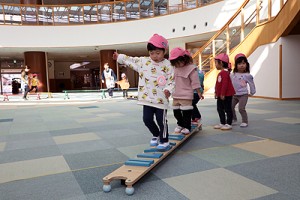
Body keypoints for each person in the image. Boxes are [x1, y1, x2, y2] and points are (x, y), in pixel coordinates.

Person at [113, 33, 174, 151]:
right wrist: (120, 57)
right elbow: (131, 60)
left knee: (161, 121)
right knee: (147, 119)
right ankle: (156, 134)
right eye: (152, 53)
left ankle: (165, 140)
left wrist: (168, 89)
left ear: (164, 51)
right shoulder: (144, 62)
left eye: (158, 53)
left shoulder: (168, 64)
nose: (155, 56)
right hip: (146, 98)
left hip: (161, 99)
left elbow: (172, 79)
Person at [169, 47, 203, 135]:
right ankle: (180, 124)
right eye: (175, 63)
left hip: (186, 95)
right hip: (176, 94)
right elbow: (171, 81)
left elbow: (195, 82)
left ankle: (187, 126)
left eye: (178, 62)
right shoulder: (175, 68)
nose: (177, 64)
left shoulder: (191, 69)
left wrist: (199, 92)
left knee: (186, 112)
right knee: (176, 111)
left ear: (184, 59)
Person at [231, 53, 256, 127]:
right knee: (230, 107)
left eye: (243, 63)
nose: (241, 65)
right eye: (239, 63)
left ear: (246, 65)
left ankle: (245, 121)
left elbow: (251, 84)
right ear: (236, 65)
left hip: (243, 95)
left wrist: (252, 92)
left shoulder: (247, 75)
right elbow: (229, 83)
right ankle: (234, 119)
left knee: (241, 108)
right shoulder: (233, 74)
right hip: (234, 95)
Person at [213, 53, 235, 130]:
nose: (215, 64)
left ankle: (228, 123)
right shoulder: (221, 73)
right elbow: (218, 84)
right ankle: (222, 122)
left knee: (227, 108)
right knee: (219, 108)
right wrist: (216, 93)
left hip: (227, 95)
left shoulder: (225, 73)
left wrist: (222, 94)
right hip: (220, 95)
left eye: (216, 62)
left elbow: (225, 84)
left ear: (221, 63)